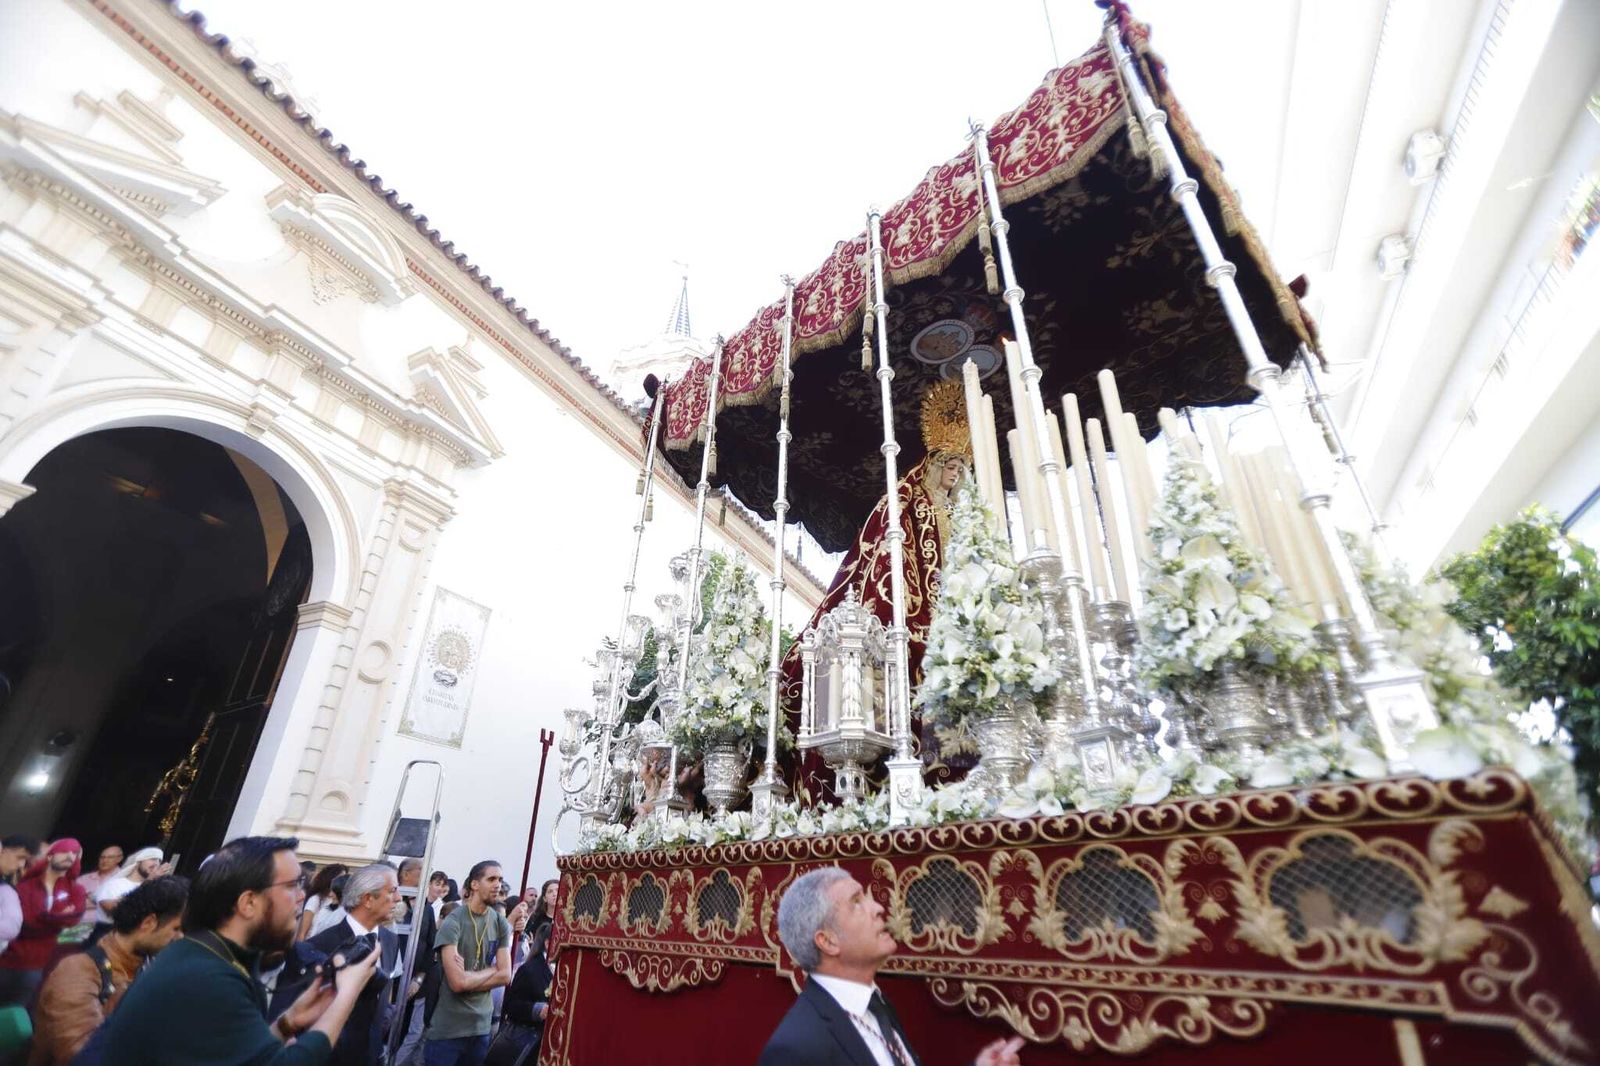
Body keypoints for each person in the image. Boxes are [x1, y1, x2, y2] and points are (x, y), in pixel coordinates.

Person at [778, 381, 974, 795]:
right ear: (933, 464)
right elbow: (886, 553)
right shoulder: (905, 499)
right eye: (949, 465)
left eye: (961, 468)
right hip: (916, 606)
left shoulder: (961, 513)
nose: (955, 475)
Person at [99, 835, 378, 1066]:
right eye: (293, 885)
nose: (302, 895)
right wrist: (347, 993)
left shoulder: (212, 957)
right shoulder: (207, 975)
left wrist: (287, 1023)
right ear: (248, 903)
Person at [760, 867, 1023, 1066]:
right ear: (828, 941)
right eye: (856, 902)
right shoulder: (796, 1049)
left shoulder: (876, 1004)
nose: (878, 907)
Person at [27, 875, 188, 1065]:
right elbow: (81, 1055)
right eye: (176, 928)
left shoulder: (149, 967)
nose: (181, 937)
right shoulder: (78, 971)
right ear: (148, 923)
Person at [270, 864, 400, 1066]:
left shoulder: (390, 940)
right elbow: (287, 1018)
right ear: (368, 899)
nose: (398, 898)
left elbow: (385, 991)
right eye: (392, 891)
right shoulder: (317, 947)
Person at [424, 862, 512, 1066]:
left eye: (500, 879)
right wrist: (492, 972)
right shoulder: (453, 922)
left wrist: (470, 976)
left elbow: (506, 975)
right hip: (449, 1029)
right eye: (491, 879)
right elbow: (457, 983)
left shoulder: (499, 923)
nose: (498, 885)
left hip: (481, 1027)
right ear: (474, 884)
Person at [0, 840, 87, 1007]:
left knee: (14, 1014)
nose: (70, 856)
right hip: (7, 956)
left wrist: (43, 917)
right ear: (51, 855)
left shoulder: (76, 890)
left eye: (74, 853)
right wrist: (57, 919)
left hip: (36, 964)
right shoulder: (27, 886)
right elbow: (24, 923)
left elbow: (74, 919)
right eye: (65, 851)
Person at [484, 923, 552, 1066]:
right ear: (547, 943)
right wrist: (537, 1010)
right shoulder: (530, 970)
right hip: (527, 1042)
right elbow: (511, 1005)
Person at [93, 849, 169, 926]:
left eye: (159, 861)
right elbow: (114, 910)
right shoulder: (115, 884)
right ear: (139, 862)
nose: (156, 863)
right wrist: (148, 882)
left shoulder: (153, 889)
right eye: (153, 859)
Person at [0, 836, 41, 964]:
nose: (21, 865)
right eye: (20, 857)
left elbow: (11, 928)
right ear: (2, 850)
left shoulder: (7, 891)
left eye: (25, 860)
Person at [298, 865, 349, 943]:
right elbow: (303, 933)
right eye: (340, 877)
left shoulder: (341, 902)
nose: (341, 880)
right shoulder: (316, 899)